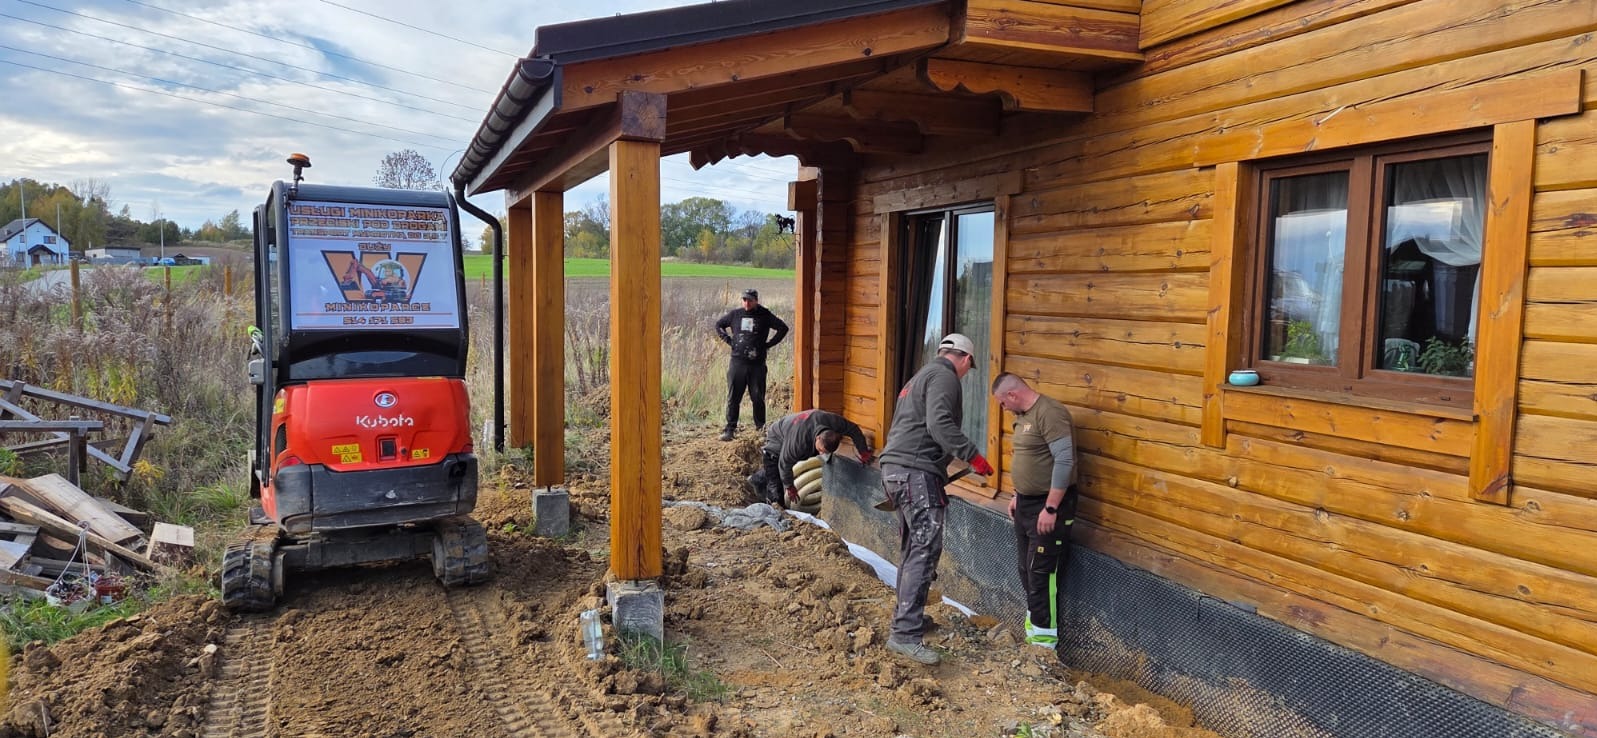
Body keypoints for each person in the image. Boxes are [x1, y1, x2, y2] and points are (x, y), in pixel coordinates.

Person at [876, 333, 994, 666]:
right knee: (924, 550)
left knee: (913, 548)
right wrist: (973, 456)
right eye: (969, 368)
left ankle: (909, 620)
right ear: (966, 360)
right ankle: (904, 634)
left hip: (897, 470)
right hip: (914, 473)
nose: (967, 374)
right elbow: (939, 423)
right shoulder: (945, 376)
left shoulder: (920, 376)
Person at [991, 372, 1077, 648]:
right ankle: (1034, 631)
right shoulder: (1024, 418)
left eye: (1003, 403)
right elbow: (1030, 459)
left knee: (1041, 573)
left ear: (1013, 395)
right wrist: (1018, 494)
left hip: (1048, 506)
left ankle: (1043, 644)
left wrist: (1051, 507)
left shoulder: (1050, 414)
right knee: (1025, 569)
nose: (1004, 409)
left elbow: (1064, 461)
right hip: (1026, 503)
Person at [749, 409, 874, 507]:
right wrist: (790, 486)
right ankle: (768, 496)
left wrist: (863, 451)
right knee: (777, 489)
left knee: (790, 464)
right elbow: (784, 463)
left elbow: (853, 429)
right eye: (820, 450)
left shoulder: (833, 422)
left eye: (824, 452)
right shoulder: (798, 442)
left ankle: (756, 479)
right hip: (777, 437)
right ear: (818, 438)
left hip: (801, 430)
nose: (821, 454)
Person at [714, 288, 788, 441]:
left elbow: (783, 328)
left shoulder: (765, 314)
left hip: (757, 365)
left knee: (757, 397)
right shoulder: (735, 314)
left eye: (749, 300)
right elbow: (719, 325)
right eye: (744, 300)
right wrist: (729, 341)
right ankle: (730, 429)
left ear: (756, 301)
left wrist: (769, 344)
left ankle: (760, 428)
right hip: (737, 363)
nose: (746, 303)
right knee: (734, 397)